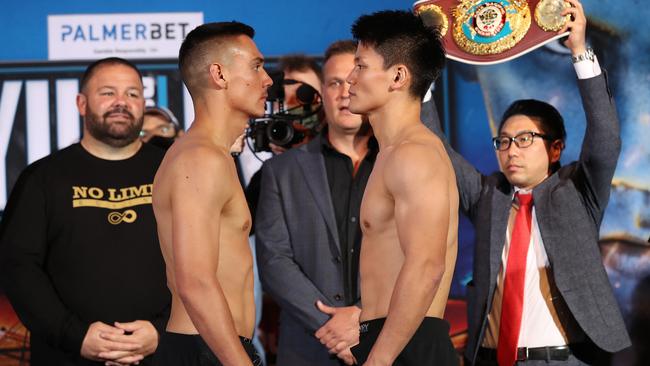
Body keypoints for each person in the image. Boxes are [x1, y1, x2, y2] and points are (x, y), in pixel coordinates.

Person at [426, 1, 631, 364]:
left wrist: (581, 52)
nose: (511, 151)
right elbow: (434, 150)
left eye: (524, 139)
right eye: (503, 141)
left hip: (563, 359)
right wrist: (424, 72)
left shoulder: (577, 190)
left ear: (555, 149)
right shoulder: (488, 195)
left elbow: (605, 138)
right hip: (491, 356)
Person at [0, 57, 170, 365]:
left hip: (163, 354)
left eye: (133, 94)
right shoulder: (42, 177)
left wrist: (164, 332)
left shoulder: (174, 172)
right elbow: (18, 268)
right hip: (66, 355)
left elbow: (205, 262)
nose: (122, 102)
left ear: (143, 104)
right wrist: (74, 335)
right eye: (108, 92)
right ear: (81, 103)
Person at [151, 21, 272, 366]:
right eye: (256, 66)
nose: (268, 80)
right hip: (207, 351)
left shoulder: (210, 155)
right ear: (219, 74)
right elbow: (195, 283)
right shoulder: (200, 159)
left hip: (216, 349)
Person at [345, 10, 459, 366]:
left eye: (361, 66)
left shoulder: (415, 155)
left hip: (408, 346)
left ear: (398, 76)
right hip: (388, 339)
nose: (350, 78)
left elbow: (426, 266)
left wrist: (380, 360)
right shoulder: (390, 153)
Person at [256, 40, 371, 366]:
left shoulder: (401, 163)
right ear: (322, 93)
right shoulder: (281, 171)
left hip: (387, 341)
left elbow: (416, 254)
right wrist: (332, 327)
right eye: (335, 82)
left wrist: (362, 319)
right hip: (309, 348)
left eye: (354, 80)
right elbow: (274, 260)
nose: (345, 91)